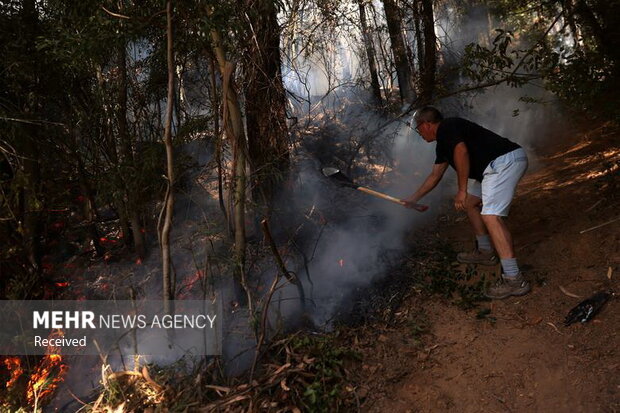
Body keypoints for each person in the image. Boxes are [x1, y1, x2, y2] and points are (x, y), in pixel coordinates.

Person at [402, 106, 530, 299]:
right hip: (493, 167)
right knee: (471, 204)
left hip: (503, 162)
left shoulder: (447, 127)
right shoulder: (443, 143)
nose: (419, 134)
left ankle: (514, 279)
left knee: (491, 216)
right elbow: (435, 176)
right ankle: (486, 252)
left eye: (418, 129)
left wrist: (461, 190)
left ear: (427, 124)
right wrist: (413, 199)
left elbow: (461, 152)